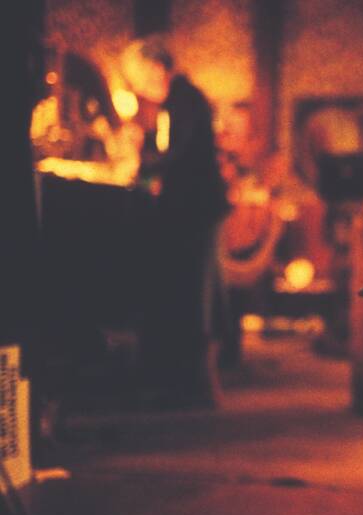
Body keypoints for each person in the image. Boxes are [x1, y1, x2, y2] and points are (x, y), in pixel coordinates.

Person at [122, 36, 231, 408]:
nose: (138, 88)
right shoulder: (175, 103)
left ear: (156, 68)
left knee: (199, 296)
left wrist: (142, 163)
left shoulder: (186, 100)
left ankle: (200, 385)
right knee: (194, 294)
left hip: (198, 210)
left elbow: (181, 155)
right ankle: (192, 382)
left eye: (139, 78)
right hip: (193, 208)